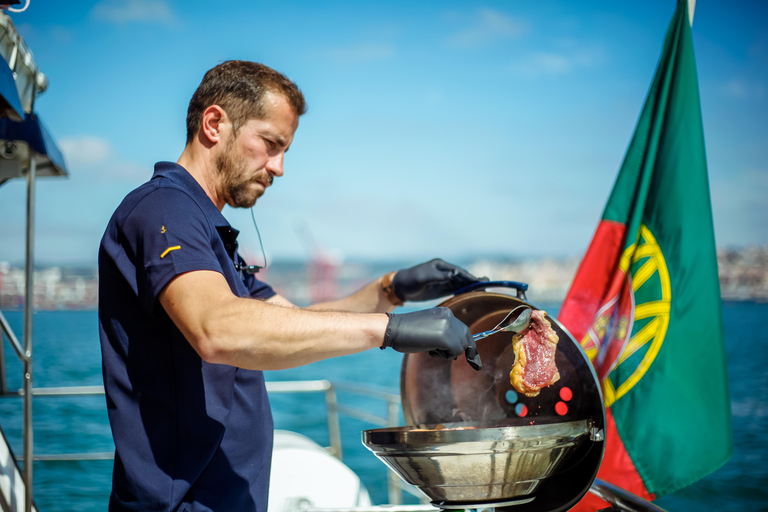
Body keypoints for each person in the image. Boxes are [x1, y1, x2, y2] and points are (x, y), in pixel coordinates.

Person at [98, 60, 484, 512]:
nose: (278, 168)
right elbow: (216, 328)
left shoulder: (206, 228)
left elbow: (291, 322)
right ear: (214, 123)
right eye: (270, 144)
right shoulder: (165, 208)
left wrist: (394, 287)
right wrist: (390, 330)